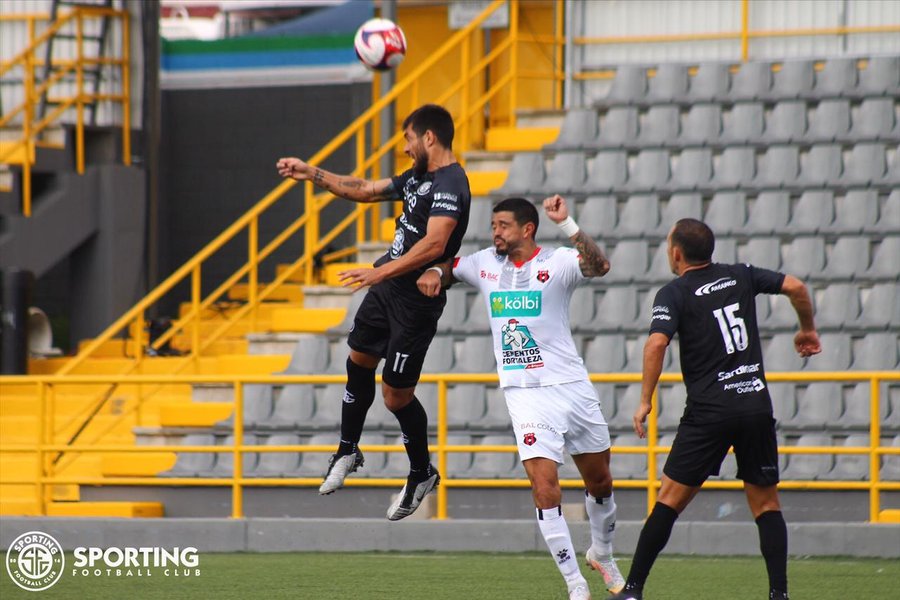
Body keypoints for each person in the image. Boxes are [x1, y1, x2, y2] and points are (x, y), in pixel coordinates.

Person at [418, 195, 625, 600]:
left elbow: (599, 266)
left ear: (527, 229)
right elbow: (450, 268)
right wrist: (432, 270)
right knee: (544, 487)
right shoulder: (484, 264)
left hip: (571, 387)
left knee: (600, 482)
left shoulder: (557, 262)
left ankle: (602, 553)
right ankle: (575, 583)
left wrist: (567, 223)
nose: (495, 232)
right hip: (525, 395)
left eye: (503, 225)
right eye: (493, 225)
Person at [609, 218, 822, 600]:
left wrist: (644, 401)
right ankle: (779, 594)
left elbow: (656, 344)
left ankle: (633, 590)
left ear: (676, 253)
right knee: (766, 503)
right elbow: (796, 286)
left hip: (709, 411)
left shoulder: (674, 292)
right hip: (754, 404)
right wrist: (807, 329)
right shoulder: (741, 275)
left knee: (669, 500)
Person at [276, 104, 471, 520]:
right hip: (387, 286)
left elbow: (436, 244)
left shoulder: (452, 183)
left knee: (395, 396)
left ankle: (421, 473)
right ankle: (347, 450)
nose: (406, 148)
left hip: (415, 302)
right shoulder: (417, 177)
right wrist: (311, 173)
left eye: (409, 139)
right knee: (358, 359)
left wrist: (378, 272)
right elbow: (364, 189)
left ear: (429, 137)